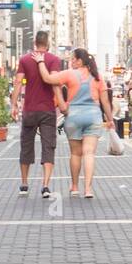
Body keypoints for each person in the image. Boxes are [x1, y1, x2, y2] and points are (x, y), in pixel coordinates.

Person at [35, 48, 109, 199]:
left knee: (76, 153)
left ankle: (74, 187)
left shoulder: (69, 74)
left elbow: (48, 79)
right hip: (93, 116)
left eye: (72, 59)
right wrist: (110, 119)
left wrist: (40, 62)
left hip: (73, 116)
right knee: (89, 154)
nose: (70, 62)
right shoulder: (97, 77)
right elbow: (105, 102)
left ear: (79, 61)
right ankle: (88, 189)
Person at [11, 31, 65, 199]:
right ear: (47, 43)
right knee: (48, 146)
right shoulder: (54, 60)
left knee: (26, 145)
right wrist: (61, 102)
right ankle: (45, 185)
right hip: (47, 110)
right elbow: (55, 83)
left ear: (35, 42)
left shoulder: (25, 60)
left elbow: (18, 82)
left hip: (29, 110)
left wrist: (13, 105)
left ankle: (24, 184)